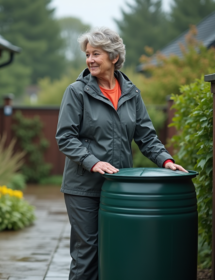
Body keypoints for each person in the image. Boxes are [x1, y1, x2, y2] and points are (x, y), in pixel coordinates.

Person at [55, 27, 187, 280]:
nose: (90, 60)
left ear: (114, 57)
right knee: (87, 252)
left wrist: (166, 160)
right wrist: (93, 163)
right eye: (87, 54)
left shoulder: (131, 93)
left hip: (119, 187)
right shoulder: (77, 92)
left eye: (96, 54)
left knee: (117, 250)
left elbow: (146, 136)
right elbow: (65, 137)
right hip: (83, 187)